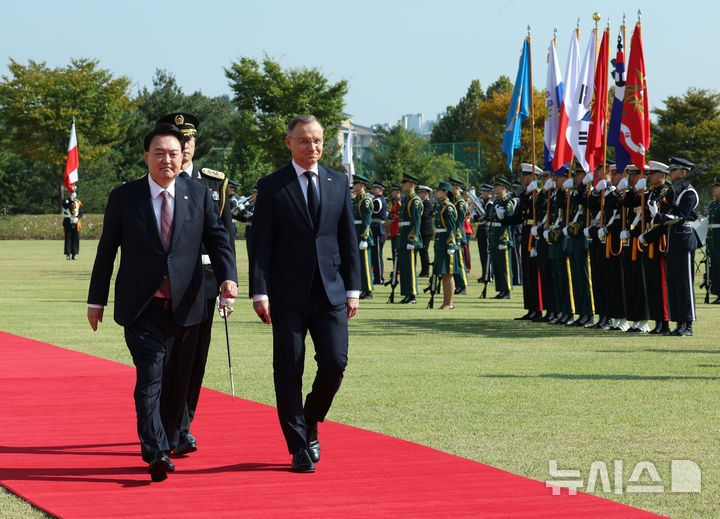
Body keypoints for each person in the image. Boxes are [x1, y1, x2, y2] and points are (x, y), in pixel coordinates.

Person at [87, 123, 238, 482]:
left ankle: (169, 440)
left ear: (182, 155)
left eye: (173, 153)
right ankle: (154, 450)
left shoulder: (199, 194)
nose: (166, 160)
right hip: (143, 307)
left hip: (187, 304)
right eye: (159, 153)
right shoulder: (125, 197)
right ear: (146, 157)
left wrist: (228, 277)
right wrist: (97, 300)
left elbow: (218, 239)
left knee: (177, 382)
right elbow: (107, 250)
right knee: (151, 376)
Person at [250, 114, 360, 473]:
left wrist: (353, 287)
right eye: (304, 141)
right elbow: (260, 244)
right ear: (289, 143)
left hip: (330, 290)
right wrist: (259, 291)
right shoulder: (272, 186)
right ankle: (298, 445)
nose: (312, 147)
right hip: (286, 294)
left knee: (334, 362)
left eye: (317, 141)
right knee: (288, 368)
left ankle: (310, 416)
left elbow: (348, 239)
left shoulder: (337, 181)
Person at [157, 112, 236, 456]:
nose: (184, 146)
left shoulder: (211, 184)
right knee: (163, 359)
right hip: (163, 286)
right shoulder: (156, 178)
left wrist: (226, 281)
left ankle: (182, 425)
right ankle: (161, 422)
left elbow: (225, 238)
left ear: (194, 143)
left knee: (194, 360)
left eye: (189, 140)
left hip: (202, 283)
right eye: (178, 139)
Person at [644, 157, 701, 336]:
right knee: (674, 285)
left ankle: (688, 324)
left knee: (684, 284)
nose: (670, 173)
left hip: (684, 242)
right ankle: (678, 322)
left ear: (683, 173)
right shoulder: (674, 193)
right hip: (673, 242)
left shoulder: (689, 193)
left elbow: (679, 216)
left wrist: (658, 215)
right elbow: (668, 215)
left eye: (674, 170)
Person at [397, 173, 423, 304]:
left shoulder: (415, 201)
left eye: (404, 183)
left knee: (410, 268)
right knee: (405, 268)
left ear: (411, 185)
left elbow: (416, 222)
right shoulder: (406, 199)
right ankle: (406, 293)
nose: (402, 185)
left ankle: (412, 295)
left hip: (409, 238)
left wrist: (412, 239)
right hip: (403, 237)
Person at [433, 181, 460, 309]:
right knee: (443, 274)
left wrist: (451, 245)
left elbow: (451, 228)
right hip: (440, 241)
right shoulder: (440, 206)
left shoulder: (448, 207)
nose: (436, 192)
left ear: (445, 192)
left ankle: (449, 303)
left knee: (448, 274)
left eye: (439, 190)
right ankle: (445, 302)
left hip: (446, 243)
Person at [489, 176, 516, 299]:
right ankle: (501, 289)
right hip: (495, 236)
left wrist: (504, 240)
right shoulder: (496, 201)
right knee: (497, 266)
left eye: (497, 186)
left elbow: (508, 223)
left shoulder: (507, 203)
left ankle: (507, 289)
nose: (494, 188)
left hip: (502, 238)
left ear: (503, 188)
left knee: (505, 266)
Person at [352, 174, 374, 299]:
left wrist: (364, 238)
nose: (354, 186)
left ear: (362, 185)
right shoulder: (357, 200)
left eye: (356, 184)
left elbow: (367, 221)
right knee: (359, 264)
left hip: (362, 235)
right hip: (356, 234)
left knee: (365, 264)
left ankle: (368, 290)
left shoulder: (365, 200)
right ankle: (363, 289)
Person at [449, 178, 469, 294]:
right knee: (456, 261)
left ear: (457, 187)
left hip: (458, 234)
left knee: (460, 261)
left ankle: (463, 285)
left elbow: (458, 221)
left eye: (452, 187)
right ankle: (459, 284)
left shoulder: (460, 202)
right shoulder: (455, 201)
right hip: (454, 234)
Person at [370, 180, 388, 284]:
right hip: (376, 228)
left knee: (377, 255)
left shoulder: (378, 201)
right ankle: (377, 277)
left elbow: (372, 212)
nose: (372, 190)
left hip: (378, 229)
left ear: (380, 190)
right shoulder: (376, 199)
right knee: (375, 255)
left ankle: (379, 278)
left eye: (375, 188)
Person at [707, 177, 720, 304]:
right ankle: (718, 293)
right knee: (715, 268)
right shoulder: (713, 205)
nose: (713, 189)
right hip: (713, 241)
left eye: (716, 187)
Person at [417, 185, 434, 277]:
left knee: (424, 251)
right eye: (419, 193)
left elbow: (424, 215)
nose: (420, 194)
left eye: (422, 193)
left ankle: (425, 271)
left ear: (426, 194)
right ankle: (424, 271)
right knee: (421, 251)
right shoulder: (421, 203)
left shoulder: (427, 204)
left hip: (426, 231)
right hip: (422, 231)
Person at [62, 190, 82, 260]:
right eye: (70, 192)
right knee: (68, 238)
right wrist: (71, 200)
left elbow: (80, 213)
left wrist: (77, 218)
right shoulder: (65, 201)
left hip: (76, 222)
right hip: (68, 221)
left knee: (75, 238)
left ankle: (74, 254)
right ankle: (68, 254)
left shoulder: (78, 202)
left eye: (72, 192)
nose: (71, 193)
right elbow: (66, 206)